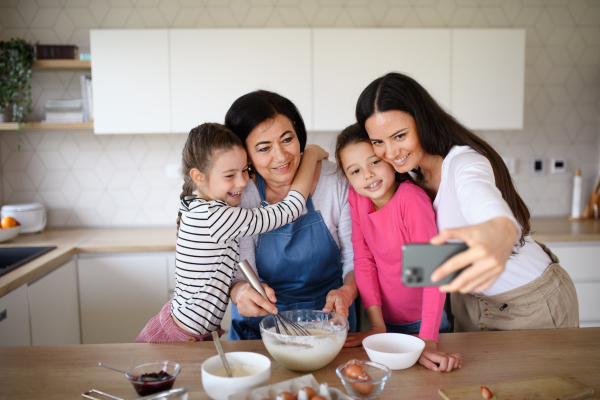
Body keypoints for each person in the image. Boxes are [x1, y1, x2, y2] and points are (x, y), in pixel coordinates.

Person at [355, 72, 579, 332]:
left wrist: (501, 229)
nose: (391, 153)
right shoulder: (411, 177)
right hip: (471, 303)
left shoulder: (464, 162)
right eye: (378, 142)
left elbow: (483, 200)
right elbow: (425, 260)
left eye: (400, 136)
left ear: (422, 121)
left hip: (530, 301)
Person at [135, 123, 328, 343]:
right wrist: (310, 154)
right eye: (230, 175)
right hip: (177, 338)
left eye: (245, 170)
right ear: (198, 177)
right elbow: (289, 210)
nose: (243, 181)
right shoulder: (214, 216)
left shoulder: (200, 207)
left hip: (192, 332)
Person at [225, 90, 359, 340]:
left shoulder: (334, 181)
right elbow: (238, 270)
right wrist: (240, 291)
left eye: (287, 139)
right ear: (245, 154)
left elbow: (354, 256)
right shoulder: (242, 194)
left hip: (327, 321)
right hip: (258, 328)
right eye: (264, 148)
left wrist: (347, 290)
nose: (281, 156)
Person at [335, 124, 461, 372]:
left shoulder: (410, 200)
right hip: (386, 327)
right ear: (348, 178)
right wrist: (377, 328)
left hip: (426, 326)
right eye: (355, 171)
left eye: (374, 162)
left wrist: (427, 340)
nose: (368, 175)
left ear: (390, 160)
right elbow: (363, 260)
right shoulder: (357, 198)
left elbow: (433, 271)